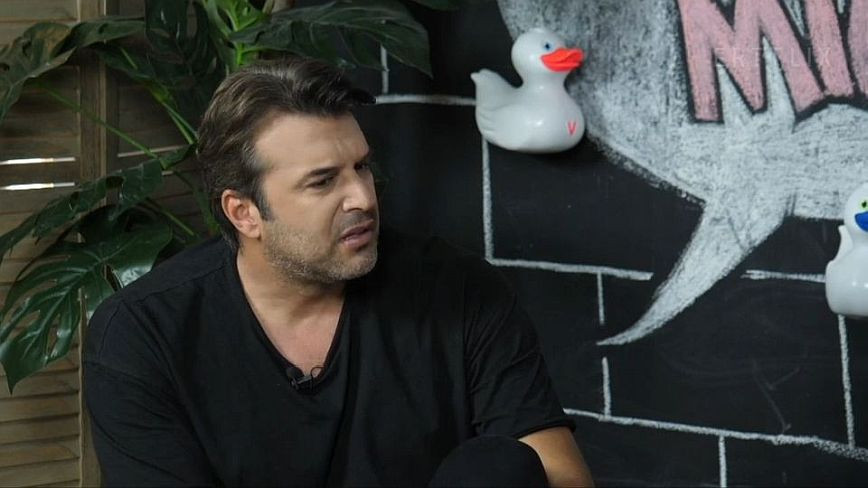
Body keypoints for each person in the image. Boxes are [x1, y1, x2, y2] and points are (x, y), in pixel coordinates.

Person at [83, 56, 594, 487]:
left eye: (362, 167)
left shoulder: (458, 289)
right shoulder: (142, 334)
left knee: (500, 467)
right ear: (244, 213)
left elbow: (558, 472)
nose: (363, 198)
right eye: (323, 181)